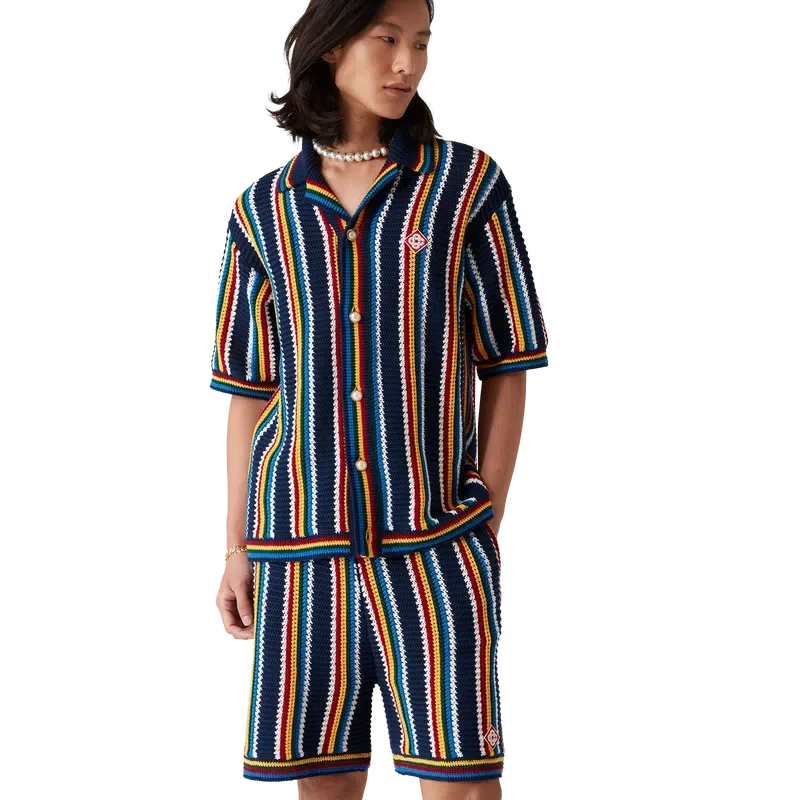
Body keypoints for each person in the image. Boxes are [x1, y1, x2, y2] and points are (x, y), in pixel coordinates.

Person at [213, 0, 551, 796]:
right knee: (322, 782)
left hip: (437, 538)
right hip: (301, 550)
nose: (408, 64)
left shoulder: (466, 184)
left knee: (462, 780)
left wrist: (488, 510)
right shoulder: (261, 210)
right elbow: (247, 390)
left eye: (421, 45)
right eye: (387, 40)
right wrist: (235, 546)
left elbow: (509, 358)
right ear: (331, 48)